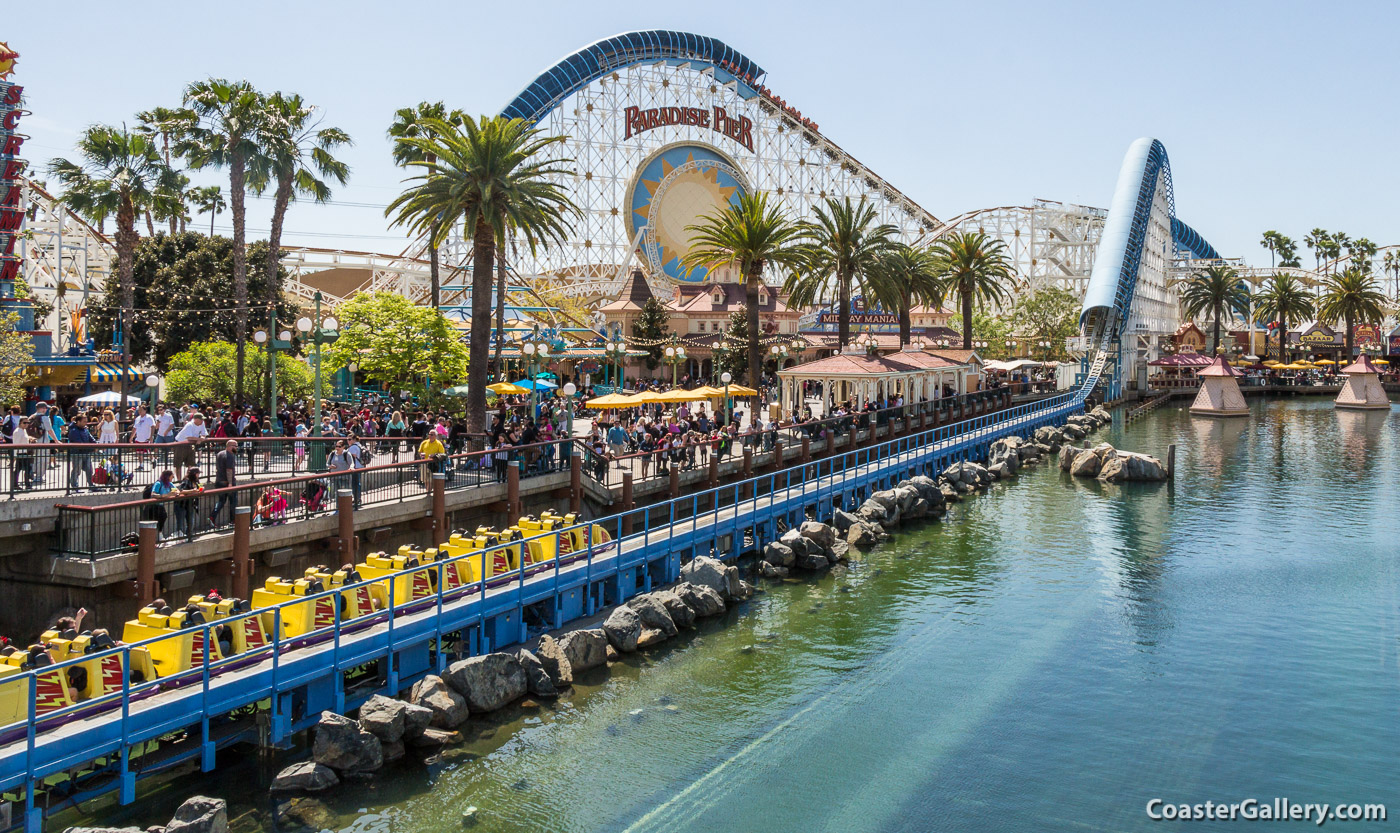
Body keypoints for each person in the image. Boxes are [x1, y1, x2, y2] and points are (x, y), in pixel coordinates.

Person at [208, 440, 239, 528]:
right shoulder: (229, 456)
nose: (236, 448)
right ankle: (233, 521)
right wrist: (230, 483)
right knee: (233, 501)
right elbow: (229, 470)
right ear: (229, 446)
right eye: (235, 446)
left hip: (219, 481)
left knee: (221, 501)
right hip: (227, 482)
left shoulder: (220, 453)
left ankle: (212, 516)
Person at [67, 414, 97, 491]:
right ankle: (74, 486)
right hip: (77, 453)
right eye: (84, 422)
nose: (85, 423)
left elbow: (91, 439)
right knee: (77, 470)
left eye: (86, 421)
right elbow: (79, 443)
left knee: (89, 469)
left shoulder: (85, 429)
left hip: (86, 453)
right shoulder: (73, 431)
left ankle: (91, 485)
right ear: (78, 421)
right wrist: (92, 448)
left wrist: (95, 445)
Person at [173, 412, 208, 480]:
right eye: (201, 419)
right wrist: (199, 439)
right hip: (181, 444)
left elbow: (204, 433)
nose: (202, 421)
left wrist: (201, 438)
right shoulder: (189, 425)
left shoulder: (202, 423)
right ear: (196, 419)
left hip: (190, 444)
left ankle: (187, 479)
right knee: (178, 464)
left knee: (191, 463)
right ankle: (179, 481)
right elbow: (189, 437)